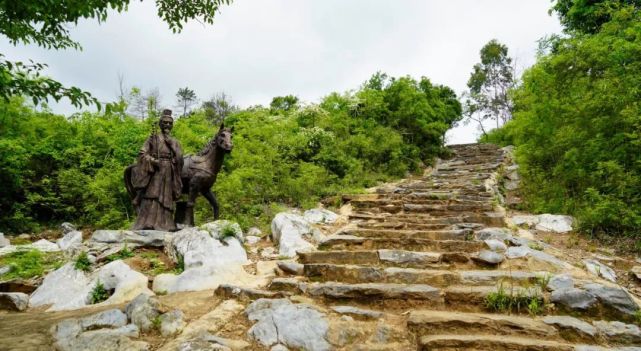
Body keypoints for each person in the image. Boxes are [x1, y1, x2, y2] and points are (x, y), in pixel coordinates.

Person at [130, 109, 183, 231]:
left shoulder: (175, 141)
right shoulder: (153, 139)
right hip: (156, 170)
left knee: (166, 197)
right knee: (152, 195)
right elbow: (142, 154)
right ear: (160, 124)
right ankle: (148, 222)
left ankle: (167, 224)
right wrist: (153, 161)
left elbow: (179, 158)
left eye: (170, 123)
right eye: (165, 122)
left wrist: (173, 148)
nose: (167, 125)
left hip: (169, 170)